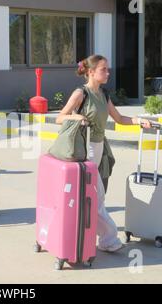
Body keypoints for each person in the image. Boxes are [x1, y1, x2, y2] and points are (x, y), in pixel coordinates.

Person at [56, 54, 153, 253]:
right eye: (103, 69)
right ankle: (108, 238)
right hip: (84, 148)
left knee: (93, 196)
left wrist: (138, 121)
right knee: (96, 194)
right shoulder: (80, 93)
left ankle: (87, 234)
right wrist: (77, 117)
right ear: (91, 72)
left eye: (107, 69)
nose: (108, 73)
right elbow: (60, 117)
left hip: (99, 148)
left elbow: (118, 118)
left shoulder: (104, 94)